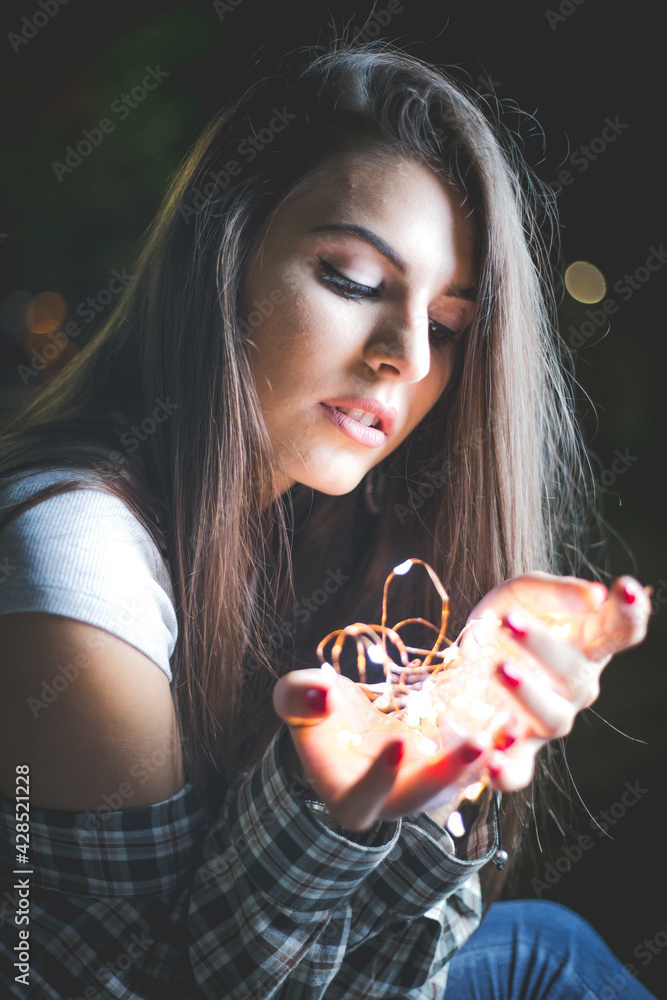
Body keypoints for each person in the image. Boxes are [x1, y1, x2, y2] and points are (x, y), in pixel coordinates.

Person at [0, 35, 654, 1000]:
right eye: (352, 279)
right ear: (223, 254)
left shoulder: (321, 526)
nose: (407, 359)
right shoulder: (76, 579)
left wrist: (438, 759)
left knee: (545, 943)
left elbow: (393, 958)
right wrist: (321, 819)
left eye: (444, 326)